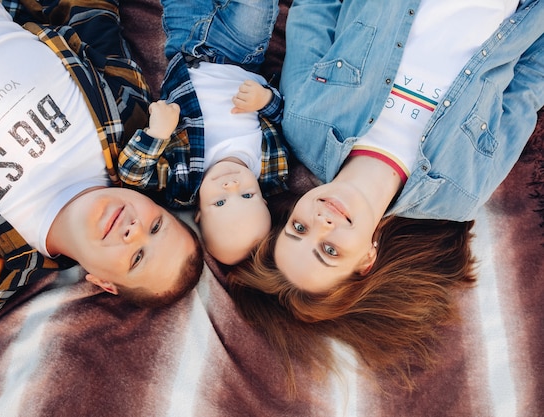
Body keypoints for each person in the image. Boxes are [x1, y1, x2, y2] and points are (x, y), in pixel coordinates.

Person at [229, 0, 544, 393]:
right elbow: (528, 86)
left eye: (298, 227)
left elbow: (315, 11)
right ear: (366, 259)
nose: (321, 223)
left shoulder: (304, 122)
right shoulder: (460, 191)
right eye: (329, 251)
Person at [0, 0, 203, 328]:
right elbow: (89, 19)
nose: (134, 231)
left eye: (137, 257)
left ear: (102, 283)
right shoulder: (129, 122)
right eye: (156, 226)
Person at [116, 0, 289, 265]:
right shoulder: (271, 169)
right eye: (246, 195)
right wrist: (265, 100)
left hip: (188, 46)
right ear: (264, 201)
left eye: (219, 202)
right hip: (242, 54)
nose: (231, 185)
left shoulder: (183, 183)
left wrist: (157, 134)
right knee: (256, 7)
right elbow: (284, 117)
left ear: (198, 215)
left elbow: (131, 175)